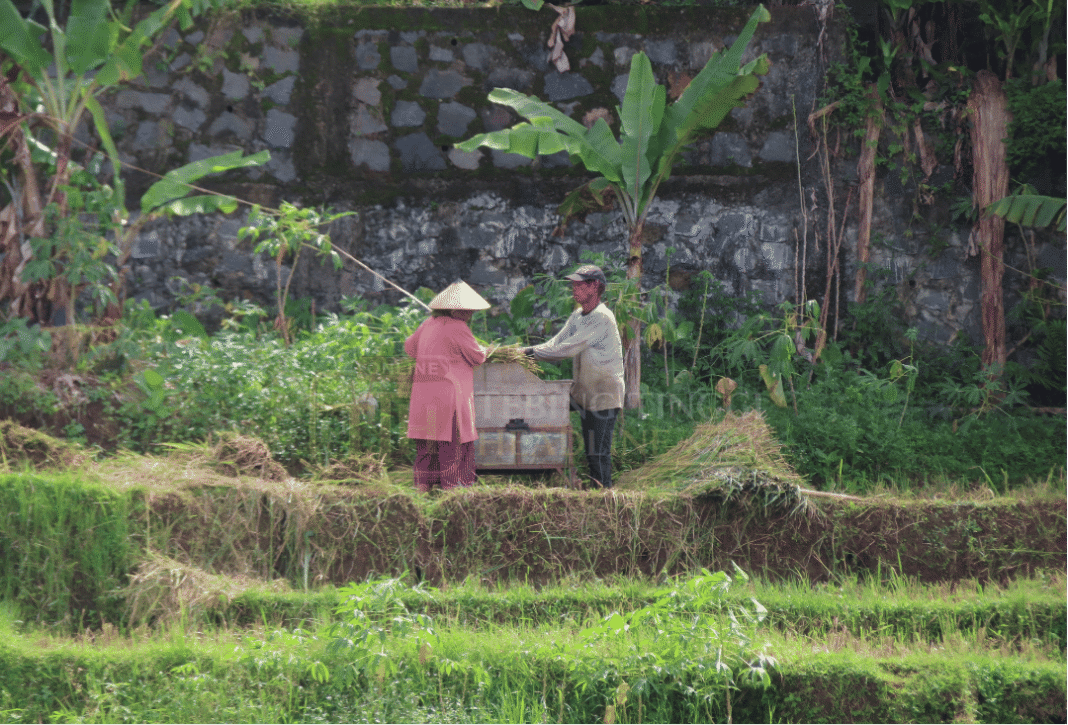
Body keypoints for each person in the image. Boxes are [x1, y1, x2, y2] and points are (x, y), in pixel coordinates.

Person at [522, 264, 625, 489]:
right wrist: (525, 352)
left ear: (595, 286)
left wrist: (530, 353)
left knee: (597, 453)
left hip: (603, 394)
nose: (574, 290)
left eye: (579, 285)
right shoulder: (578, 315)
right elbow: (555, 343)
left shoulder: (602, 317)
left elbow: (566, 349)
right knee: (548, 407)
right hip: (584, 392)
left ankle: (604, 498)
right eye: (574, 285)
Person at [405, 280, 490, 493]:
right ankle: (453, 494)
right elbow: (477, 357)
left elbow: (410, 348)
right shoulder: (458, 327)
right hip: (448, 400)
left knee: (426, 448)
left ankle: (421, 494)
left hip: (424, 399)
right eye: (467, 310)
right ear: (454, 310)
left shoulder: (427, 324)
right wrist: (487, 349)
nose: (470, 314)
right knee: (453, 447)